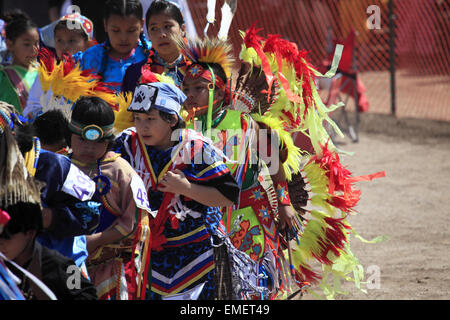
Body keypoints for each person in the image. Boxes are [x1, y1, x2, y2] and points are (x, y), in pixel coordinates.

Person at [179, 37, 300, 299]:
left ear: (220, 92)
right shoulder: (181, 128)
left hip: (250, 214)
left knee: (255, 285)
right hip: (202, 220)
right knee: (214, 287)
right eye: (185, 88)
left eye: (198, 88)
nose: (189, 95)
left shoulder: (245, 125)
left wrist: (284, 203)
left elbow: (273, 164)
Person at [114, 81, 240, 300]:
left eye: (151, 119)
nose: (143, 127)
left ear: (172, 120)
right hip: (142, 254)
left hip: (193, 255)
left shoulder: (195, 147)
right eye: (138, 119)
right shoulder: (127, 144)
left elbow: (229, 196)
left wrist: (186, 188)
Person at [0, 111, 97, 300]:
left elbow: (91, 213)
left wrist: (44, 217)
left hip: (59, 268)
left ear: (12, 138)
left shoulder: (54, 165)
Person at [68, 96, 153, 300]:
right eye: (82, 140)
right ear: (69, 136)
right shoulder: (59, 166)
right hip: (68, 267)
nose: (89, 148)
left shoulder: (120, 171)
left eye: (98, 142)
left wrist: (96, 240)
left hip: (109, 270)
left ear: (108, 141)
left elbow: (136, 223)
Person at [23, 12, 94, 120]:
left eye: (72, 41)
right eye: (59, 40)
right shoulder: (46, 73)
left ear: (87, 45)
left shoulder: (94, 74)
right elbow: (32, 107)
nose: (64, 47)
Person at [78, 0, 150, 93]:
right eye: (116, 30)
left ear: (142, 25)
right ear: (105, 25)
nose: (123, 38)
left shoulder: (154, 53)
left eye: (131, 30)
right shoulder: (89, 57)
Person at [122, 0, 191, 92]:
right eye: (154, 28)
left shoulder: (200, 68)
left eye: (167, 26)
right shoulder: (135, 73)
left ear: (182, 29)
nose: (161, 34)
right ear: (148, 34)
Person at [0, 10, 39, 114]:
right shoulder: (3, 77)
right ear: (10, 44)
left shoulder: (45, 72)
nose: (34, 49)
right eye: (27, 44)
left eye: (36, 43)